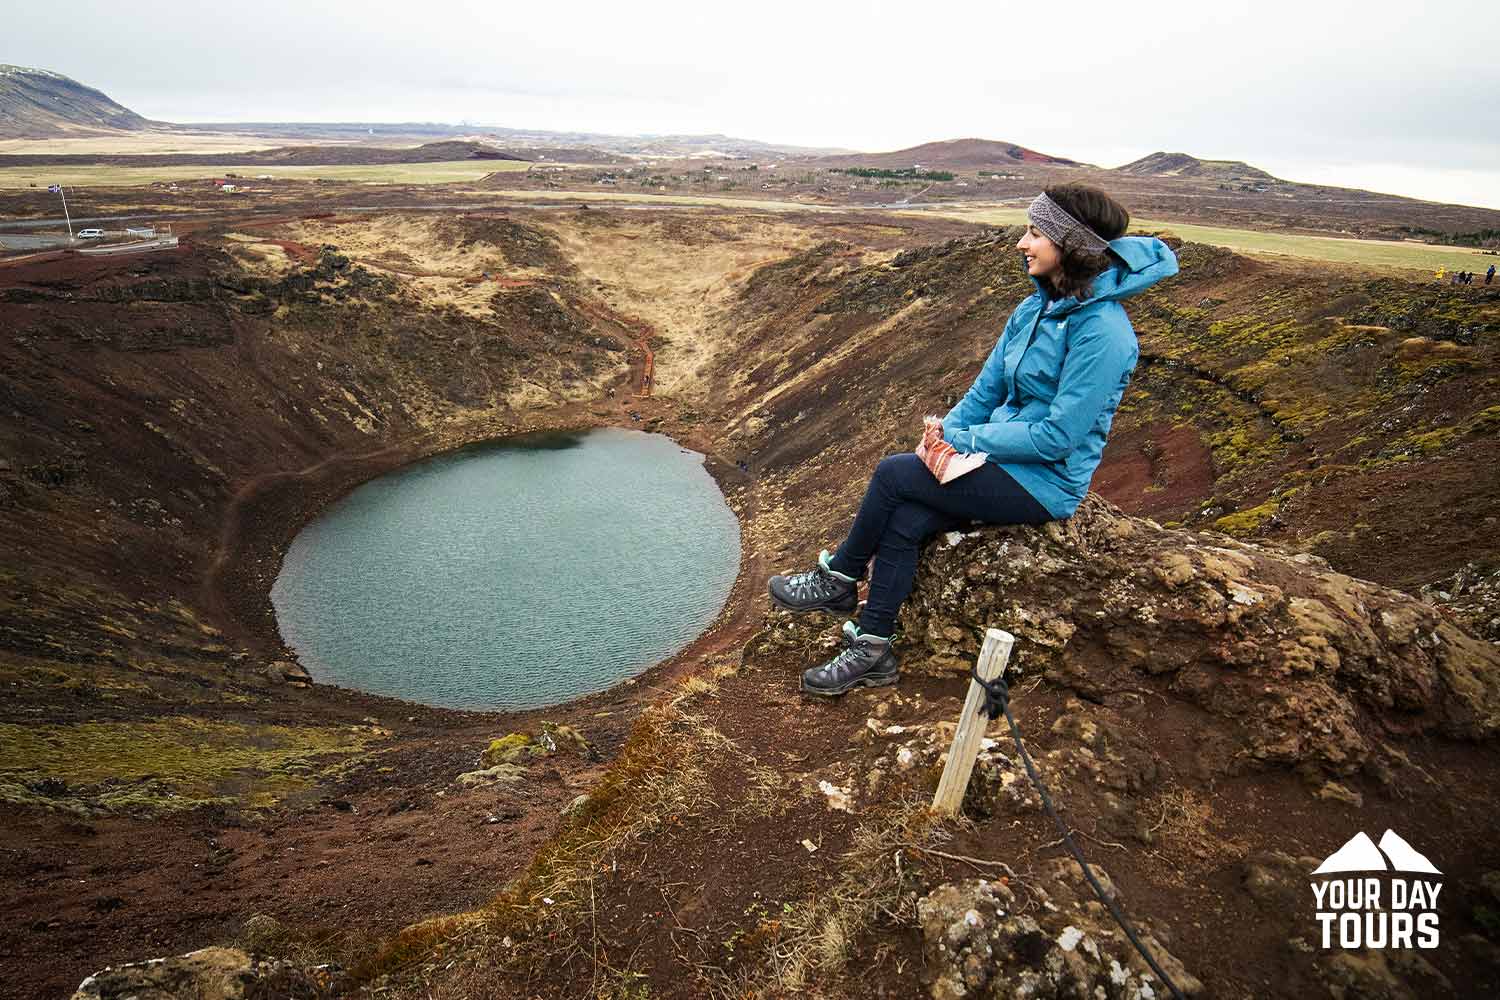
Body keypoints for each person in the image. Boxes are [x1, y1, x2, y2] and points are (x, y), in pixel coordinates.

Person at [768, 184, 1178, 696]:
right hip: (998, 460)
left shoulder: (1105, 333)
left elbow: (1058, 436)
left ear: (1070, 244)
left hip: (1045, 482)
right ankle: (872, 649)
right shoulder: (1033, 310)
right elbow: (985, 390)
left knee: (894, 474)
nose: (1020, 244)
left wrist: (964, 438)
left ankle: (841, 579)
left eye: (1034, 232)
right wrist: (942, 436)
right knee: (908, 518)